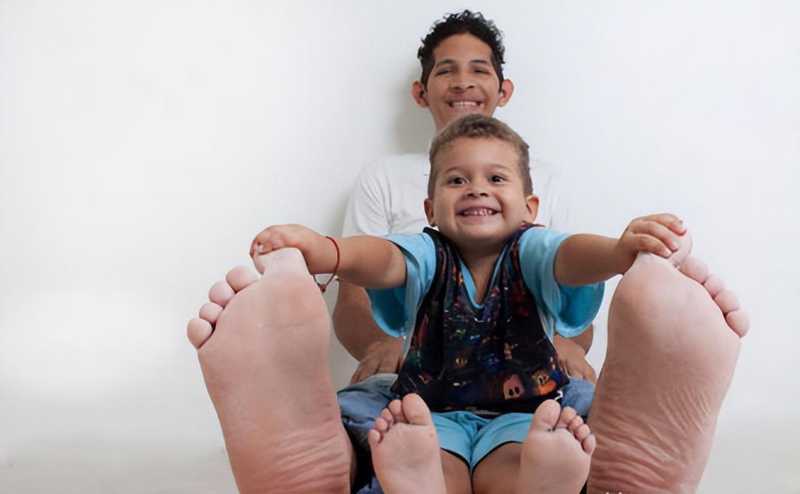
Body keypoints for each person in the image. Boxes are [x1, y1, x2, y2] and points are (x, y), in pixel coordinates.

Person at [246, 114, 691, 493]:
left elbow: (571, 256)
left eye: (496, 178)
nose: (476, 189)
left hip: (528, 412)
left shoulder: (533, 250)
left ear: (529, 207)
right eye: (457, 180)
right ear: (430, 209)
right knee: (433, 462)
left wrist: (616, 253)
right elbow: (381, 258)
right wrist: (328, 251)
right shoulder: (426, 253)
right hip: (427, 415)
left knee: (516, 463)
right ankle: (421, 482)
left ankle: (541, 481)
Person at [333, 12, 595, 490]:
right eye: (446, 70)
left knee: (582, 406)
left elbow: (569, 284)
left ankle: (617, 458)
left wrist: (569, 344)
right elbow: (355, 293)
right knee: (363, 415)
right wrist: (384, 342)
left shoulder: (545, 181)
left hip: (528, 390)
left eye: (479, 69)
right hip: (420, 385)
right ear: (421, 92)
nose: (462, 82)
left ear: (504, 90)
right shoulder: (384, 177)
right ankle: (323, 459)